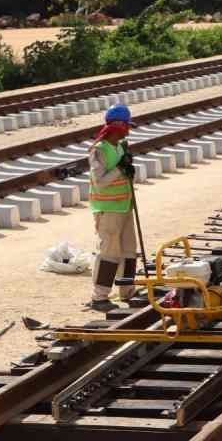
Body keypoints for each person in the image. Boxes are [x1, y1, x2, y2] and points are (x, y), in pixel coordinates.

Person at [88, 104, 139, 311]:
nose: (129, 130)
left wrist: (128, 169)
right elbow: (100, 180)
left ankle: (127, 290)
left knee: (128, 250)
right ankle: (99, 297)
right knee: (109, 252)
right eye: (127, 126)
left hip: (124, 206)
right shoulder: (99, 150)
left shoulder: (120, 146)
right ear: (117, 125)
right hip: (107, 209)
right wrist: (120, 168)